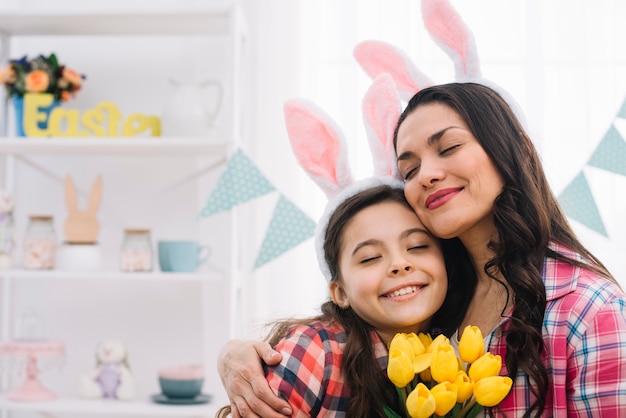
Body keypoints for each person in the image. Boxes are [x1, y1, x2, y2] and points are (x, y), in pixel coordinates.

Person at [217, 82, 626, 417]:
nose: (427, 175)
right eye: (409, 169)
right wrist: (237, 355)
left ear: (511, 148)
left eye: (448, 148)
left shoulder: (588, 309)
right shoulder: (437, 300)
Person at [217, 182, 455, 417]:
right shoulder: (317, 350)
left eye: (417, 246)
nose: (399, 264)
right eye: (370, 258)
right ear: (340, 292)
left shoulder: (457, 347)